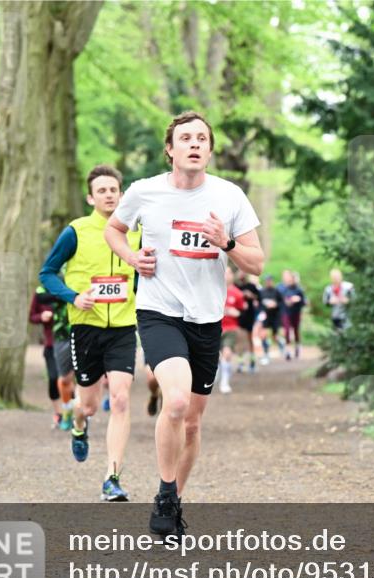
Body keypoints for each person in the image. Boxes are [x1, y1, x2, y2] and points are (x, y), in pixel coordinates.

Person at [104, 110, 264, 537]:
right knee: (174, 403)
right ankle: (166, 493)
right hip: (158, 311)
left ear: (209, 150)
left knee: (192, 421)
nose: (194, 144)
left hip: (206, 319)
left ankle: (172, 498)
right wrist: (132, 257)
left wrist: (225, 243)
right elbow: (113, 230)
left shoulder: (230, 197)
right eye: (186, 138)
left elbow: (258, 263)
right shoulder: (144, 191)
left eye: (202, 138)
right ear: (171, 149)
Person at [39, 164, 138, 502]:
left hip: (124, 326)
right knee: (91, 405)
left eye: (114, 190)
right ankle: (79, 424)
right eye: (102, 191)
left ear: (121, 194)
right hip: (86, 328)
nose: (109, 195)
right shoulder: (76, 231)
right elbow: (47, 273)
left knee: (122, 397)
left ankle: (112, 477)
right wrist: (73, 296)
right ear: (90, 197)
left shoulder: (137, 230)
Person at [28, 286, 64, 428]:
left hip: (68, 341)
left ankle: (72, 413)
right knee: (53, 378)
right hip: (50, 344)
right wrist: (41, 317)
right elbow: (32, 316)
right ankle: (58, 413)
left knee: (67, 381)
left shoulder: (66, 287)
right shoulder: (40, 292)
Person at [219, 267, 247, 393]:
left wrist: (236, 313)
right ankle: (216, 375)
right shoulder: (214, 291)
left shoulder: (237, 294)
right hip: (214, 328)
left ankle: (225, 381)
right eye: (224, 272)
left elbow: (243, 312)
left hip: (231, 328)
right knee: (215, 356)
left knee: (227, 353)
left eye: (229, 273)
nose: (226, 275)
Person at [234, 269, 261, 372]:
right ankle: (240, 363)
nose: (242, 274)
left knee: (250, 339)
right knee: (239, 340)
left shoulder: (251, 286)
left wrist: (251, 296)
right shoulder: (235, 287)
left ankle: (252, 362)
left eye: (244, 272)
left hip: (249, 316)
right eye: (240, 272)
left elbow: (259, 298)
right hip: (239, 316)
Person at [278, 269, 306, 360]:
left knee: (296, 330)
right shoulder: (282, 288)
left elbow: (304, 301)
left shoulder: (298, 289)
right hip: (285, 312)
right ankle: (288, 351)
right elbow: (280, 300)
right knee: (286, 331)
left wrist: (298, 300)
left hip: (296, 312)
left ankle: (297, 347)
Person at [257, 274, 284, 361]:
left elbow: (282, 303)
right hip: (266, 316)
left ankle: (282, 346)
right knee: (263, 335)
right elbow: (259, 304)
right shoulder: (262, 292)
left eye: (270, 280)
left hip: (275, 316)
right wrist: (262, 311)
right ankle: (266, 353)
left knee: (275, 336)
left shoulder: (276, 291)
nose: (268, 282)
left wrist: (275, 304)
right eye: (267, 281)